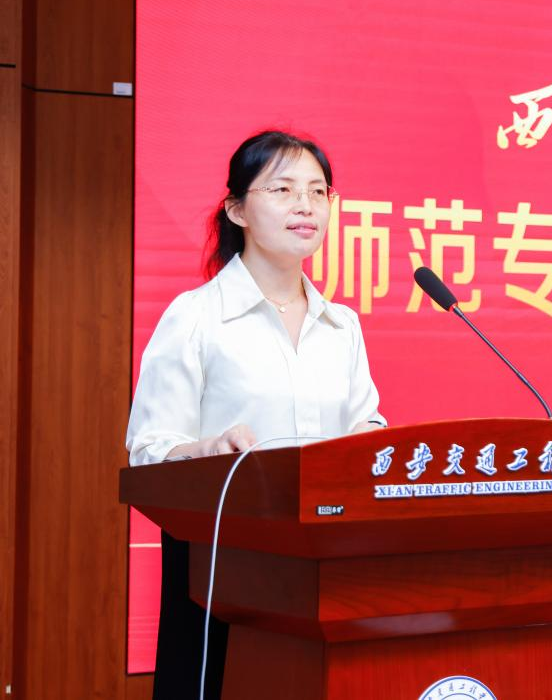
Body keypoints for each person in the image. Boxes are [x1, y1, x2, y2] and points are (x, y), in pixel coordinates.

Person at [125, 130, 386, 699]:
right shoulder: (195, 317)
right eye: (283, 189)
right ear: (237, 210)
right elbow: (148, 452)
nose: (305, 205)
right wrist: (206, 453)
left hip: (325, 566)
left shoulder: (342, 326)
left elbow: (365, 428)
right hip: (222, 565)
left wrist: (370, 445)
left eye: (318, 192)